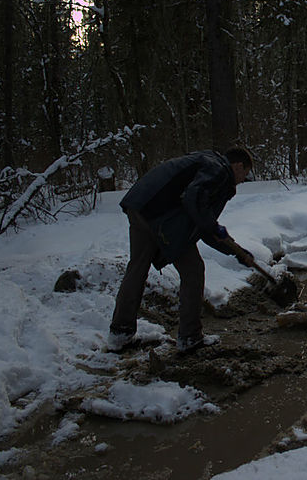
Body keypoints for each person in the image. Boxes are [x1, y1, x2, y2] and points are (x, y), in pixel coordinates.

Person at [108, 146, 256, 353]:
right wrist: (216, 229)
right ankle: (190, 337)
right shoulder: (218, 170)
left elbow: (201, 222)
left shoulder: (204, 161)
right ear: (238, 166)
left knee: (137, 269)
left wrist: (235, 251)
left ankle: (120, 333)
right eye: (245, 173)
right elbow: (195, 204)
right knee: (193, 270)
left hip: (140, 207)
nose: (242, 179)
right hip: (160, 217)